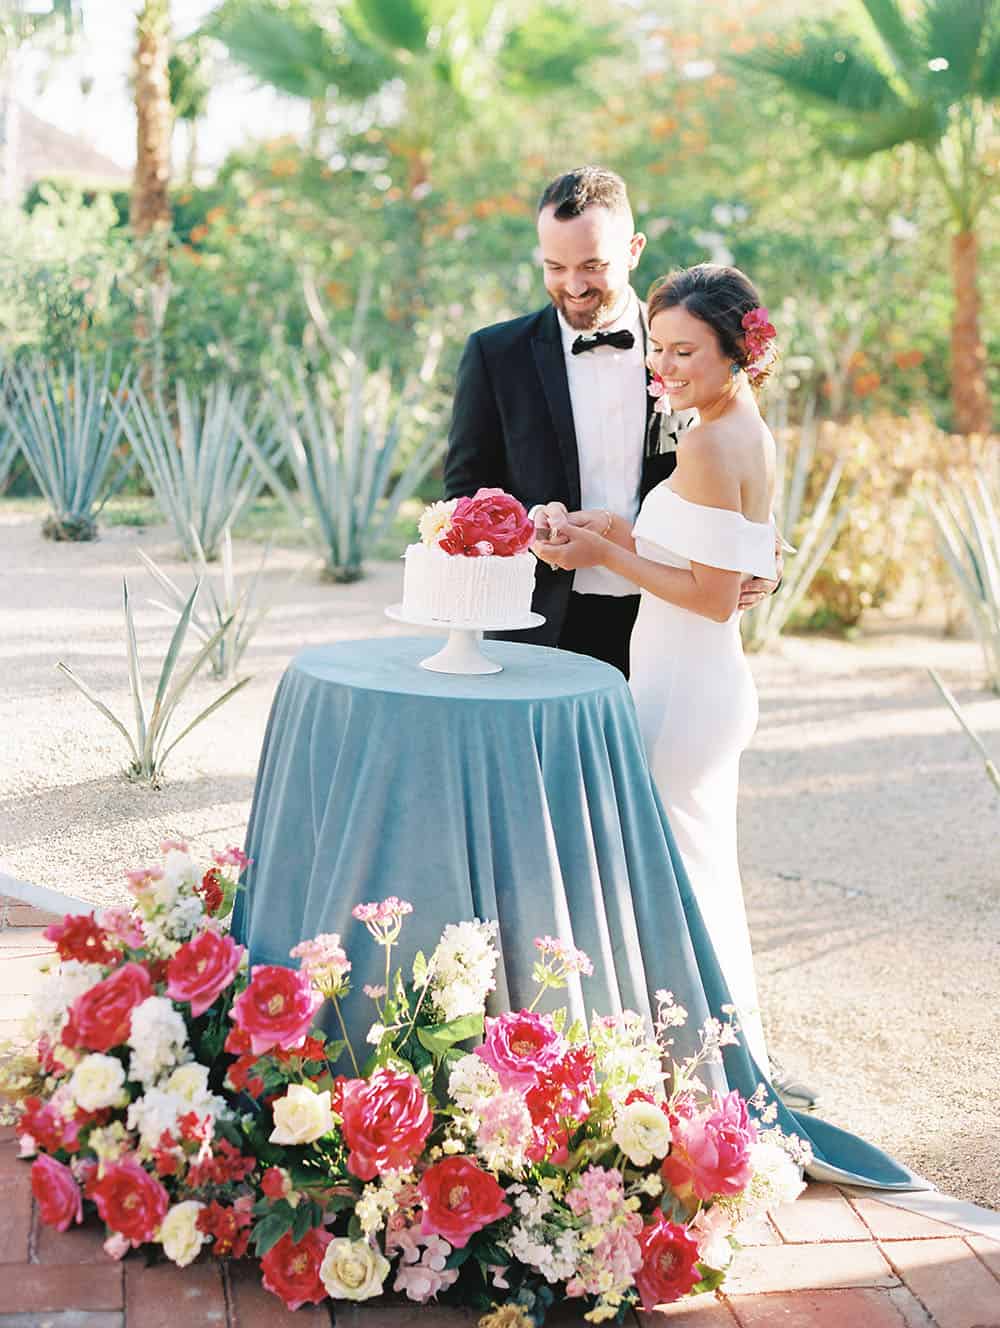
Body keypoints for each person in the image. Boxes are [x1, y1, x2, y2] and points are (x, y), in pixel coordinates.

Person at [533, 263, 789, 1080]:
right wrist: (608, 525)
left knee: (684, 882)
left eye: (684, 352)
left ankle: (703, 1070)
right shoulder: (736, 422)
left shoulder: (714, 439)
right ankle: (714, 1058)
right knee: (697, 875)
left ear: (736, 351)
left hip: (687, 691)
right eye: (660, 350)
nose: (665, 368)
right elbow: (708, 553)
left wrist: (606, 550)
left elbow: (713, 596)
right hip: (691, 682)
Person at [444, 165, 777, 678]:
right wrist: (529, 530)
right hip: (537, 617)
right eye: (554, 266)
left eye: (592, 265)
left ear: (634, 250)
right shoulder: (494, 354)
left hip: (664, 614)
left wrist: (761, 566)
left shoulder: (693, 349)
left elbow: (742, 471)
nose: (573, 286)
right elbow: (467, 491)